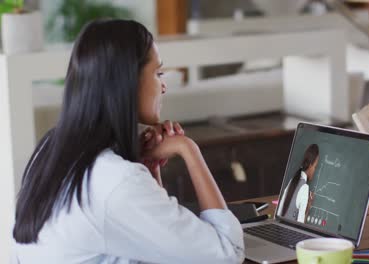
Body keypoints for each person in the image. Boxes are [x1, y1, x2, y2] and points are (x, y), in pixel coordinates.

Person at [12, 19, 244, 264]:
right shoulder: (116, 179)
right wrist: (189, 149)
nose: (163, 86)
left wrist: (150, 169)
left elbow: (159, 246)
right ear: (127, 82)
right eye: (158, 73)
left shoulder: (51, 149)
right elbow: (227, 253)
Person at [277, 144, 320, 223]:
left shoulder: (292, 180)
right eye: (315, 167)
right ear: (310, 166)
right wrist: (309, 207)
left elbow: (279, 212)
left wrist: (308, 204)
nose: (315, 170)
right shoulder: (304, 187)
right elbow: (300, 225)